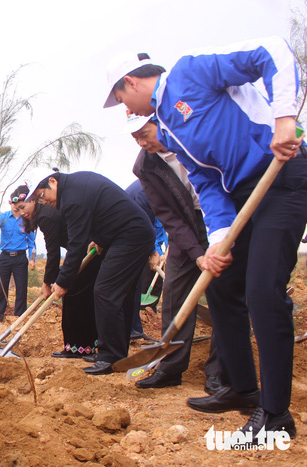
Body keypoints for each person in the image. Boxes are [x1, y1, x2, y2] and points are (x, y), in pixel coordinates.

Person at [105, 37, 307, 439]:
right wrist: (217, 240)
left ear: (131, 82)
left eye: (122, 100)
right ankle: (241, 387)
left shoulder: (189, 72)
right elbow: (207, 184)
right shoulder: (170, 130)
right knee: (222, 286)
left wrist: (285, 117)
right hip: (240, 196)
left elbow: (272, 52)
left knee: (263, 293)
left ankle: (275, 415)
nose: (127, 110)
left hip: (281, 179)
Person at [126, 112, 220, 393]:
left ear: (161, 122)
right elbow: (167, 214)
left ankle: (220, 372)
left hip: (220, 218)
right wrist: (195, 252)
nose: (141, 142)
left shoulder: (195, 137)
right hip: (184, 228)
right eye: (134, 138)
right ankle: (170, 367)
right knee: (175, 295)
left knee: (222, 296)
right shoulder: (145, 166)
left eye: (144, 133)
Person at [31, 171, 154, 375]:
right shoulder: (75, 187)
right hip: (129, 234)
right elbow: (101, 214)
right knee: (119, 295)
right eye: (39, 200)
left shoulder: (72, 198)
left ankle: (110, 356)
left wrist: (62, 281)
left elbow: (76, 244)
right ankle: (116, 354)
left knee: (105, 291)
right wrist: (101, 237)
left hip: (131, 236)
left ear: (53, 181)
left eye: (42, 195)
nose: (43, 202)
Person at [13, 180, 101, 359]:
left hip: (86, 252)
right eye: (19, 210)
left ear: (34, 201)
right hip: (80, 251)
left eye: (24, 207)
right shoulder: (43, 214)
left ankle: (80, 347)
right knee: (74, 298)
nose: (23, 213)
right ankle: (80, 347)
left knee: (77, 298)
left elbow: (53, 253)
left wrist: (48, 283)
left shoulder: (46, 216)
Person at [125, 179, 167, 341]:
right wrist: (153, 251)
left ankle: (134, 329)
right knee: (130, 284)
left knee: (136, 284)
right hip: (132, 240)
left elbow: (166, 225)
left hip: (146, 241)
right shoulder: (144, 192)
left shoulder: (159, 191)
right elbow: (146, 225)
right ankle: (127, 330)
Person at [0, 186, 36, 322]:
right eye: (15, 206)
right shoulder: (3, 217)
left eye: (21, 206)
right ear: (11, 203)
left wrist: (32, 259)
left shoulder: (27, 219)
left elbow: (32, 243)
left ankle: (19, 317)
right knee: (1, 288)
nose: (18, 209)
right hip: (4, 258)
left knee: (21, 289)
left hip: (20, 258)